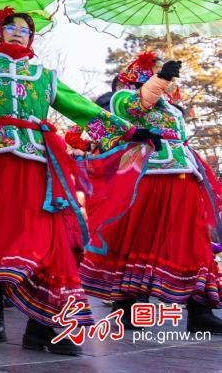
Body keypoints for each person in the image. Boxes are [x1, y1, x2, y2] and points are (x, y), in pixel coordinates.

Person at [0, 8, 150, 356]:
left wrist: (128, 130)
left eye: (25, 30)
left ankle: (42, 324)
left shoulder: (43, 75)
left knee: (45, 240)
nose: (19, 33)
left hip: (37, 166)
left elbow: (80, 107)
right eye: (11, 27)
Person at [79, 52, 222, 334]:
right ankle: (126, 305)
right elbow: (137, 105)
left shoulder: (169, 105)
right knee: (139, 237)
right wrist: (162, 79)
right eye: (156, 70)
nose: (163, 73)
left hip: (183, 176)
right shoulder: (123, 98)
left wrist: (168, 95)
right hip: (148, 176)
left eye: (164, 70)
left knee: (192, 239)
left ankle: (199, 309)